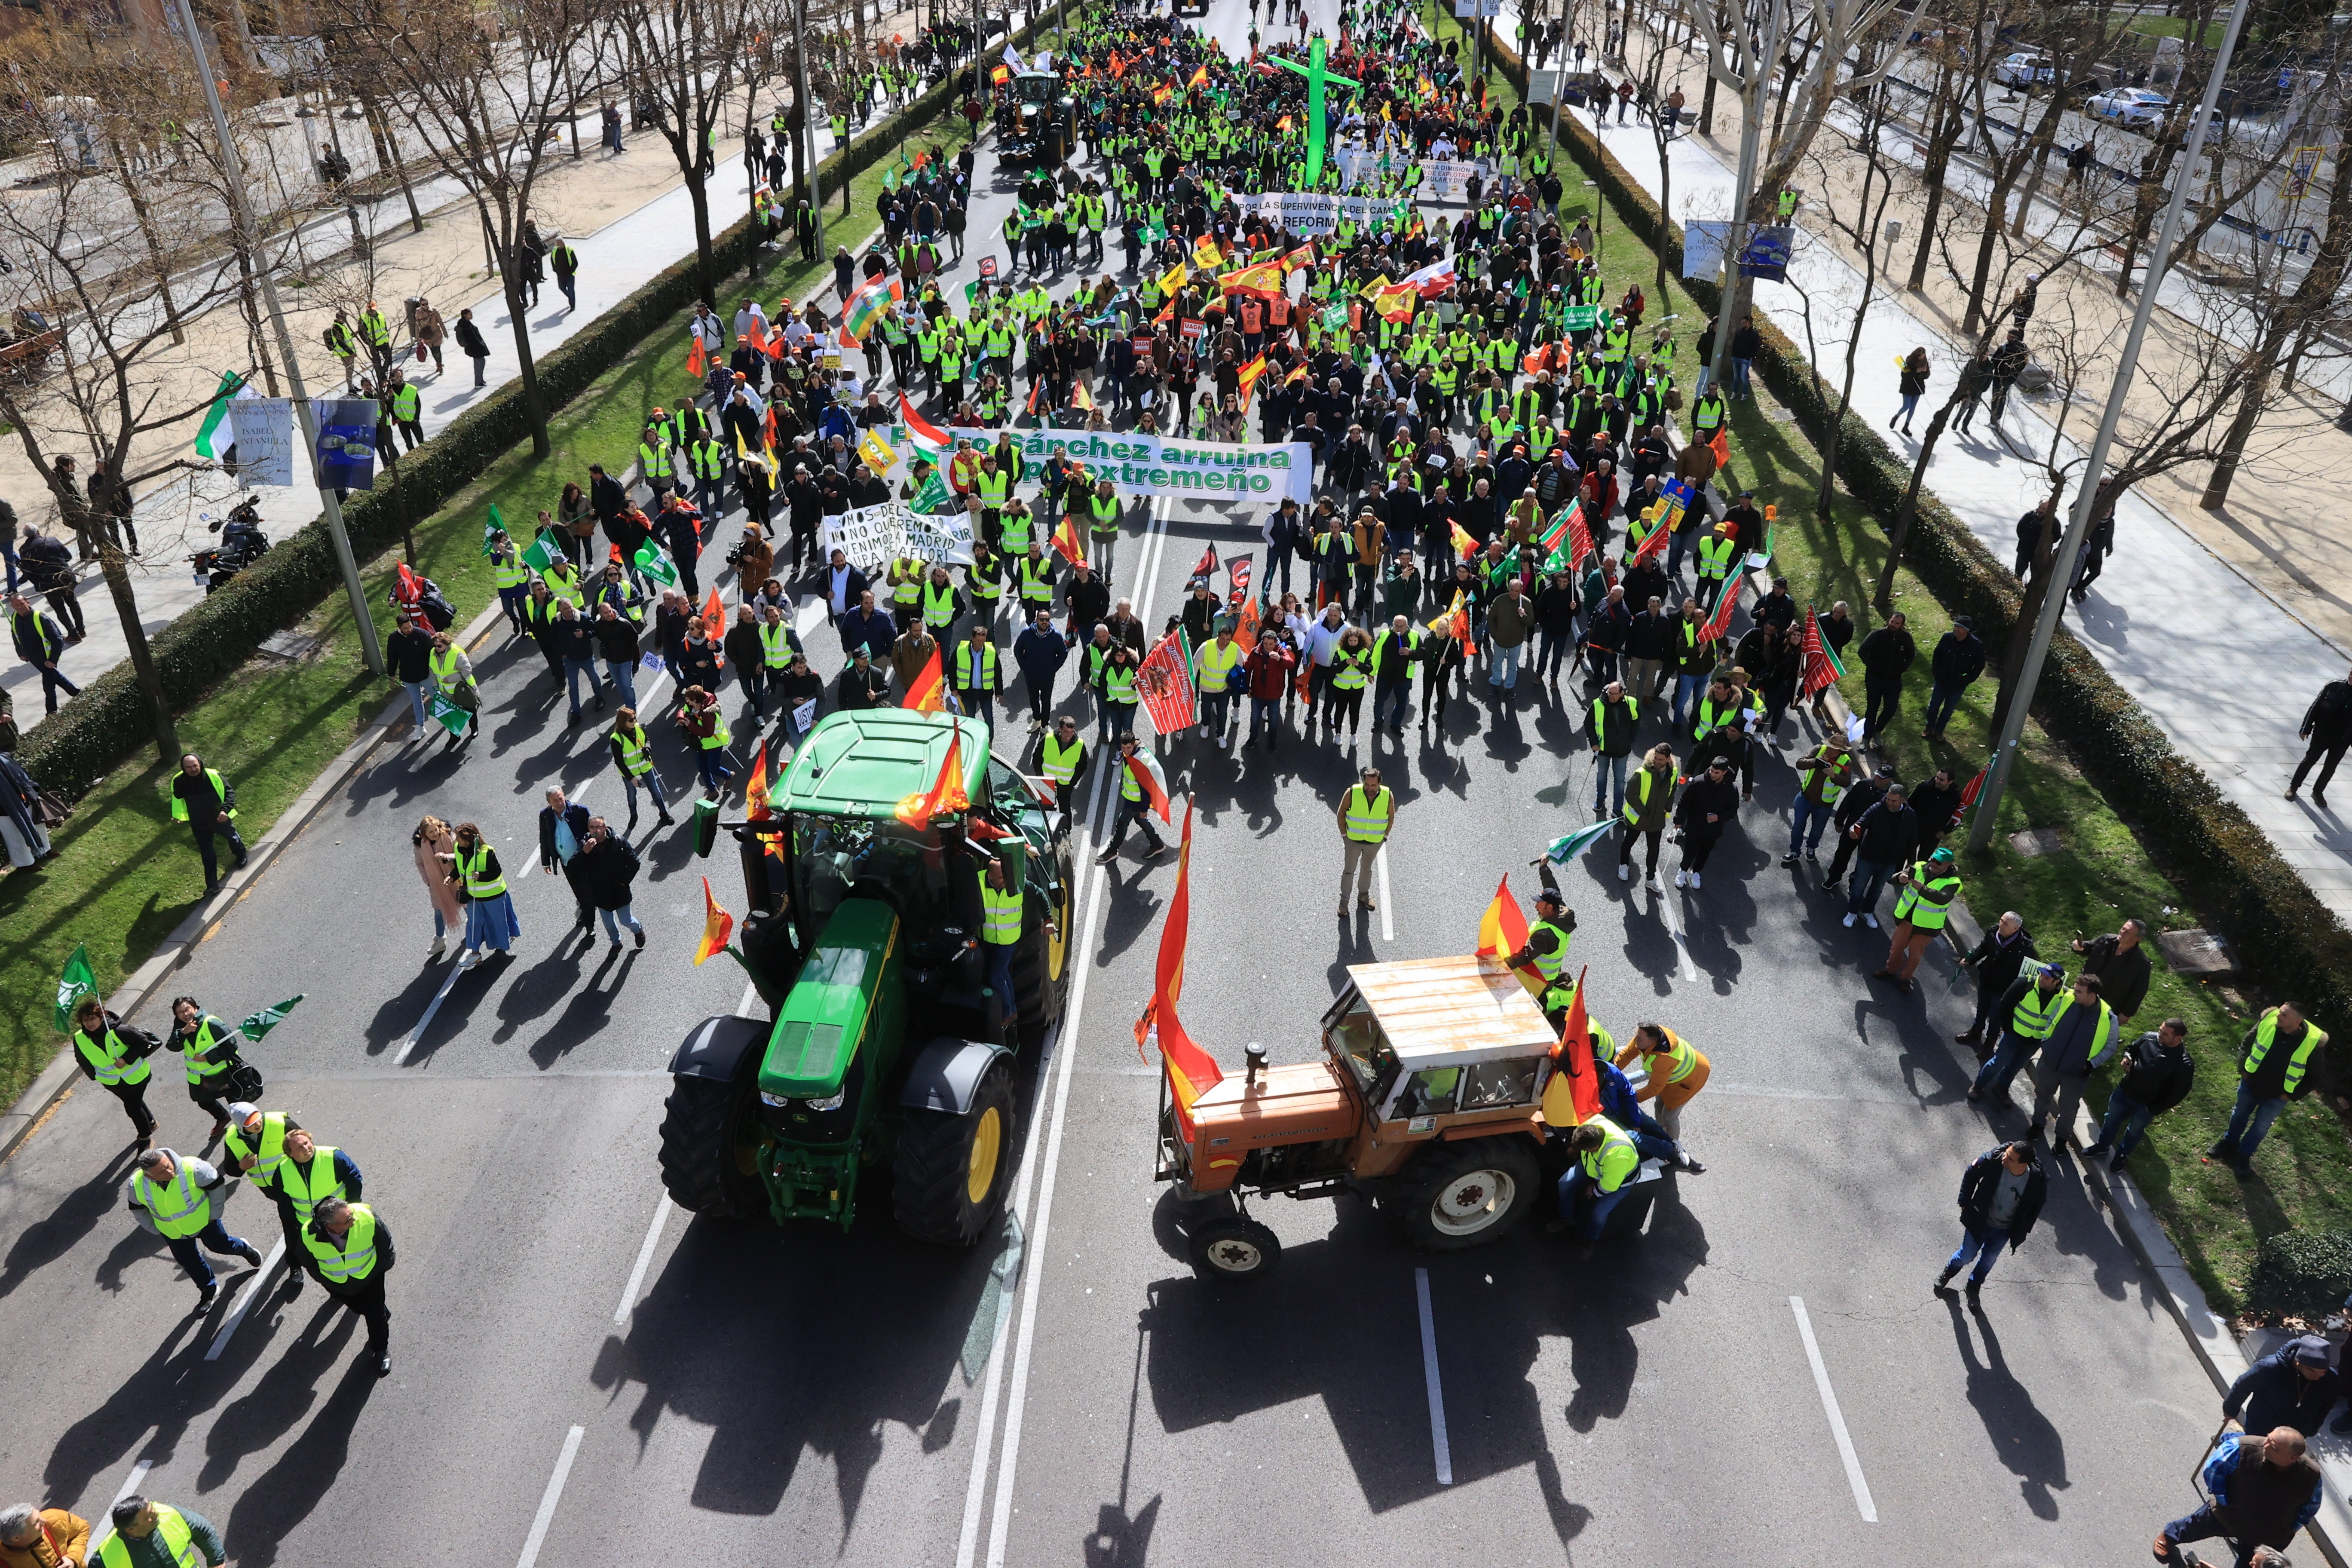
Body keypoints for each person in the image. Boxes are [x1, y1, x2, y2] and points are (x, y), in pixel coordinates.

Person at [2153, 1428, 2322, 1568]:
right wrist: (2223, 1500)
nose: (2266, 1444)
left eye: (2275, 1447)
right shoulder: (2243, 1448)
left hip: (2267, 1534)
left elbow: (2311, 1507)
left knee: (2253, 1564)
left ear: (2292, 1458)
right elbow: (2214, 1470)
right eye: (2269, 1438)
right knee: (2195, 1525)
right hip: (2229, 1513)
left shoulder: (2311, 1475)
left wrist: (2292, 1527)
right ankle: (2169, 1536)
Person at [126, 1146, 260, 1312]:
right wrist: (155, 1229)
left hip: (205, 1222)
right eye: (162, 1172)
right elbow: (138, 1210)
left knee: (221, 1246)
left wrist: (214, 1215)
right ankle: (208, 1289)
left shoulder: (194, 1168)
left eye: (168, 1165)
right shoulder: (137, 1184)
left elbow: (217, 1186)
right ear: (149, 1176)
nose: (169, 1171)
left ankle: (244, 1249)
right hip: (173, 1232)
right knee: (189, 1262)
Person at [2211, 1002, 2327, 1179]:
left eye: (2284, 1015)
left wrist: (2290, 1095)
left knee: (2261, 1127)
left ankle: (2244, 1155)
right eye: (2280, 1012)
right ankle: (2229, 1143)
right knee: (2239, 1114)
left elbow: (2314, 1076)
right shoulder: (2269, 1020)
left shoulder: (2313, 1042)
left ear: (2298, 1022)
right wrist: (2244, 1069)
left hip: (2277, 1095)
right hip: (2251, 1084)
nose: (2279, 1016)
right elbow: (2248, 1042)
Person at [1935, 1141, 2046, 1298]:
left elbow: (2038, 1204)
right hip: (1981, 1221)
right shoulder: (1993, 1161)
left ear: (2024, 1164)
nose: (2004, 1158)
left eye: (2011, 1159)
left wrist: (2024, 1227)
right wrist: (1964, 1203)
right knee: (1967, 1255)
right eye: (2006, 1153)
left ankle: (1974, 1286)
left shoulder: (2035, 1179)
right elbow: (1971, 1173)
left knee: (1989, 1260)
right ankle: (1949, 1272)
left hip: (2004, 1230)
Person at [2027, 972, 2122, 1144]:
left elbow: (2110, 1048)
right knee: (2042, 1097)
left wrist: (2090, 1064)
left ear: (2091, 995)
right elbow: (2051, 1020)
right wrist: (2046, 1044)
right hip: (2049, 1063)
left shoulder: (2108, 1018)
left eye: (2079, 991)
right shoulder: (2068, 999)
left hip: (2076, 1073)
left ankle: (2062, 1139)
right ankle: (2037, 1125)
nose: (2074, 992)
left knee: (2069, 1109)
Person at [305, 1194, 395, 1378]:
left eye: (351, 1214)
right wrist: (325, 1281)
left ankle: (380, 1350)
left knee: (375, 1314)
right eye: (347, 1220)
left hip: (370, 1277)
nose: (353, 1219)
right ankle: (379, 1311)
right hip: (340, 1286)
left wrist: (380, 1270)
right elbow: (308, 1260)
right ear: (332, 1227)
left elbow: (385, 1245)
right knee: (359, 1308)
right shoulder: (309, 1234)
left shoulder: (366, 1217)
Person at [1874, 845, 1963, 992]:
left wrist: (1922, 888)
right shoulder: (1918, 867)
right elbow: (1894, 879)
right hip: (1906, 920)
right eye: (1933, 860)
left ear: (1948, 865)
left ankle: (1905, 978)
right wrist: (1899, 878)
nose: (1934, 864)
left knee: (1915, 957)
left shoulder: (1953, 882)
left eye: (1939, 863)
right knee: (1896, 949)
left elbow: (1943, 899)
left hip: (1926, 927)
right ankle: (1890, 970)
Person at [2225, 1334, 2346, 1442]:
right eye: (2311, 1371)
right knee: (2254, 1447)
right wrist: (2231, 1410)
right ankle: (2230, 1441)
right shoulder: (2269, 1368)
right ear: (2298, 1362)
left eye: (2323, 1372)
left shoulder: (2331, 1380)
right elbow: (2243, 1385)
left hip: (2296, 1431)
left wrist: (2312, 1429)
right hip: (2262, 1423)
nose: (2317, 1377)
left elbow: (2326, 1405)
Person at [70, 994, 156, 1147]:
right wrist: (95, 1075)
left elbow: (143, 1043)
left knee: (133, 1108)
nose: (89, 1023)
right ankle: (150, 1122)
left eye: (93, 1019)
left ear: (101, 1018)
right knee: (133, 1104)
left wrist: (126, 1059)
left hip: (137, 1077)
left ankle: (145, 1137)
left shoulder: (120, 1031)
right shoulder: (79, 1038)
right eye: (86, 1020)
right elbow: (82, 1059)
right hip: (112, 1082)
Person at [1553, 1116, 1638, 1259]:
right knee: (1565, 1184)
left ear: (1594, 1148)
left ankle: (1590, 1240)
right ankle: (1567, 1218)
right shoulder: (1590, 1125)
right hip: (1593, 1166)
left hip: (1619, 1181)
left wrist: (1595, 1190)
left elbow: (1611, 1185)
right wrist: (1575, 1147)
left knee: (1599, 1213)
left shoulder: (1617, 1156)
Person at [163, 996, 242, 1142]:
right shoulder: (181, 1026)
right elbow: (172, 1046)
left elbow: (232, 1046)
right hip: (200, 1078)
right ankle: (223, 1117)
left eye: (187, 1009)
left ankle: (244, 1131)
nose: (186, 1014)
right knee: (204, 1102)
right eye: (180, 1013)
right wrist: (183, 1033)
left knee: (237, 1106)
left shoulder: (212, 1023)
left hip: (224, 1074)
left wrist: (208, 1058)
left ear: (195, 1007)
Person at [1956, 911, 2038, 1050]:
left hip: (2002, 989)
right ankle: (1976, 1031)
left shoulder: (2024, 948)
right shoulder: (1994, 932)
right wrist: (1970, 960)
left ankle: (1990, 1044)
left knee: (1995, 1017)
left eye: (2005, 923)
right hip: (1986, 979)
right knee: (1982, 1009)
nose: (2001, 925)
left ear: (2015, 929)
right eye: (2001, 920)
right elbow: (1984, 948)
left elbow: (2029, 972)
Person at [1614, 1023, 1709, 1141]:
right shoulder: (1646, 1040)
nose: (1635, 1039)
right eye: (1636, 1035)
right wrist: (1610, 1071)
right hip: (1669, 1077)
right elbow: (1627, 1054)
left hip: (1691, 1080)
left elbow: (1654, 1089)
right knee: (1659, 1104)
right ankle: (1661, 1132)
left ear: (1651, 1043)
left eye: (1639, 1038)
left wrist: (1628, 1099)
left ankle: (1673, 1144)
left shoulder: (1664, 1059)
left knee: (1669, 1116)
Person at [1841, 782, 1917, 929]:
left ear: (1903, 801)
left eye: (1894, 801)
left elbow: (1912, 839)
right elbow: (1861, 822)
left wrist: (1911, 863)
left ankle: (1868, 911)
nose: (1889, 802)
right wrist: (1853, 830)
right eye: (1888, 799)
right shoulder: (1877, 809)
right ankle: (1852, 912)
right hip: (1868, 858)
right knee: (1859, 887)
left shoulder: (1910, 815)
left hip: (1890, 862)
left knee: (1877, 889)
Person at [444, 819, 518, 968]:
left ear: (468, 840)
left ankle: (502, 944)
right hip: (474, 897)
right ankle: (475, 954)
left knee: (498, 923)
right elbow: (461, 868)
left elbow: (496, 872)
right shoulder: (459, 849)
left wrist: (481, 876)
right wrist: (452, 876)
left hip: (494, 896)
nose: (455, 840)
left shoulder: (487, 852)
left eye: (458, 838)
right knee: (474, 924)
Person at [1783, 733, 1857, 867]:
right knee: (1797, 828)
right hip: (1804, 798)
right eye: (1830, 747)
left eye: (1835, 749)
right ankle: (1794, 851)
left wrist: (1833, 775)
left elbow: (1846, 782)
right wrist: (1814, 762)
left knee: (1817, 831)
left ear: (1841, 751)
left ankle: (1811, 848)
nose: (1830, 751)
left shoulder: (1846, 761)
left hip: (1824, 805)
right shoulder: (1819, 749)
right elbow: (1800, 763)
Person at [1095, 733, 1167, 865]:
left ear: (1134, 744)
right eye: (1123, 748)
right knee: (1141, 820)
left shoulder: (1138, 762)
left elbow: (1145, 788)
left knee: (1122, 824)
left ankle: (1112, 851)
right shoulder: (1129, 755)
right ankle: (1157, 844)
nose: (1125, 751)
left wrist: (1144, 808)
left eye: (1128, 748)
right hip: (1131, 798)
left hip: (1136, 801)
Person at [95, 1498, 228, 1568]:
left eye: (152, 1509)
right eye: (149, 1516)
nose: (156, 1513)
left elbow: (203, 1530)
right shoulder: (105, 1557)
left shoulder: (169, 1514)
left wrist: (216, 1562)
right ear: (131, 1529)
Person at [2287, 665, 2352, 808]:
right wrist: (2306, 728)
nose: (2351, 676)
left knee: (2331, 767)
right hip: (2323, 733)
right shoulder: (2334, 687)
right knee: (2310, 760)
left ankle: (2318, 792)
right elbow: (2315, 707)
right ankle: (2294, 787)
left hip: (2343, 739)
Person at [577, 818, 646, 949]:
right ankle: (616, 943)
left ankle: (638, 930)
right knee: (608, 923)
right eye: (592, 827)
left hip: (619, 891)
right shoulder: (585, 844)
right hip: (600, 892)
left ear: (605, 828)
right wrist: (584, 853)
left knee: (626, 920)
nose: (595, 830)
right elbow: (576, 866)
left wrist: (623, 882)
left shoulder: (618, 841)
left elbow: (634, 863)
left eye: (599, 827)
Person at [2071, 919, 2152, 1028]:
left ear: (2137, 939)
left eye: (2127, 932)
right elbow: (2089, 947)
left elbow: (2139, 991)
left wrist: (2126, 1014)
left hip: (2108, 1005)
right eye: (2123, 928)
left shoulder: (2141, 964)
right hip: (2084, 993)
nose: (2122, 932)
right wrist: (2080, 947)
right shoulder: (2107, 940)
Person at [1336, 765, 1395, 916]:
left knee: (1367, 869)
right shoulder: (1352, 793)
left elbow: (1391, 817)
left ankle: (1364, 895)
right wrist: (1345, 836)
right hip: (1353, 841)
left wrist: (1385, 837)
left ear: (1379, 783)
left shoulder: (1388, 795)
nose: (1370, 788)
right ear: (1364, 781)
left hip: (1374, 842)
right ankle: (1344, 903)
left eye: (1373, 785)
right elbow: (1341, 814)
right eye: (1367, 784)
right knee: (1349, 871)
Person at [1672, 757, 1738, 890]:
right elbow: (1684, 802)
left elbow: (1732, 811)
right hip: (1694, 826)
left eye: (1717, 773)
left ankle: (1696, 872)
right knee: (1690, 851)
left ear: (1724, 773)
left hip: (1713, 830)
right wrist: (1679, 821)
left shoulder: (1731, 789)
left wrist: (1719, 817)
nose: (1713, 775)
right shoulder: (1699, 782)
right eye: (1712, 771)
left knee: (1705, 852)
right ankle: (1683, 870)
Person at [9, 591, 77, 713]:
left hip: (46, 658)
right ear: (12, 607)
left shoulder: (40, 618)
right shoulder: (15, 617)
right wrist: (21, 653)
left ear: (27, 602)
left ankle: (51, 713)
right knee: (56, 678)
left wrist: (53, 660)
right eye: (16, 605)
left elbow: (58, 640)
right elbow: (16, 636)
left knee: (49, 687)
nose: (19, 607)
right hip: (34, 658)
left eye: (21, 604)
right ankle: (77, 693)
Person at [1618, 743, 1676, 886]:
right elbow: (1630, 794)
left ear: (1668, 759)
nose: (1657, 762)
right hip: (1639, 818)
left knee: (1654, 849)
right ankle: (1623, 865)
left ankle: (1650, 878)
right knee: (1629, 842)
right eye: (1656, 758)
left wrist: (1667, 808)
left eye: (1661, 760)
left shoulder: (1673, 772)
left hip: (1657, 819)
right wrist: (1643, 811)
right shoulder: (1641, 773)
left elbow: (1673, 790)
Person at [608, 707, 674, 831]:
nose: (634, 721)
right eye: (631, 720)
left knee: (655, 791)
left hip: (645, 766)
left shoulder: (639, 728)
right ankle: (634, 816)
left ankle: (664, 815)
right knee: (632, 795)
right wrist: (632, 779)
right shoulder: (616, 739)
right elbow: (619, 762)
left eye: (635, 718)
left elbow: (647, 740)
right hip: (630, 772)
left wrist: (648, 749)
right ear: (623, 722)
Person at [539, 785, 594, 934]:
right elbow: (544, 839)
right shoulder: (545, 815)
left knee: (588, 888)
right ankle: (586, 911)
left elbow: (592, 832)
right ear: (549, 802)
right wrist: (546, 861)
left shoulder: (579, 811)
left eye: (561, 798)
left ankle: (590, 923)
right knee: (577, 889)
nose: (559, 803)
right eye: (555, 801)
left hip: (582, 858)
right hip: (566, 861)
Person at [978, 856, 1025, 1026]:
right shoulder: (977, 881)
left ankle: (1007, 1013)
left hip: (1008, 940)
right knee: (1003, 973)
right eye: (1001, 878)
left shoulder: (1018, 881)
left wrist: (1048, 920)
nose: (1006, 881)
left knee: (995, 977)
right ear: (990, 877)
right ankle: (1012, 1010)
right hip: (989, 939)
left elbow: (1039, 894)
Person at [1922, 616, 1984, 738]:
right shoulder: (1947, 638)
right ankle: (1929, 728)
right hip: (1942, 680)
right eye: (1955, 626)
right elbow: (1937, 655)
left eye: (1959, 627)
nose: (1956, 629)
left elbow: (1979, 666)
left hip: (1958, 684)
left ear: (1966, 630)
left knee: (1948, 709)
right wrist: (1936, 672)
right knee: (1934, 706)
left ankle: (1939, 732)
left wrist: (1967, 679)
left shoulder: (1976, 645)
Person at [1857, 611, 1914, 741]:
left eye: (1897, 623)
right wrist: (1872, 666)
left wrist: (1903, 667)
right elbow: (1862, 651)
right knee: (1872, 709)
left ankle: (1878, 730)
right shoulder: (1877, 635)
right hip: (1875, 679)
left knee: (1891, 709)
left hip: (1894, 681)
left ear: (1902, 625)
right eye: (1892, 622)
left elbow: (1911, 654)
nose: (1893, 625)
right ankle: (1866, 737)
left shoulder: (1906, 638)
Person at [413, 814, 462, 960]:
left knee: (466, 903)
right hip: (436, 885)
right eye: (431, 832)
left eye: (436, 830)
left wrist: (447, 857)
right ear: (424, 834)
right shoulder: (420, 845)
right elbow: (420, 863)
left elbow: (459, 854)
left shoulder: (449, 836)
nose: (435, 834)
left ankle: (478, 930)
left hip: (455, 878)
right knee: (439, 912)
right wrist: (428, 881)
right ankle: (440, 939)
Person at [1246, 628, 1298, 750]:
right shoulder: (1256, 652)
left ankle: (1272, 741)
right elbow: (1247, 669)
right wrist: (1247, 688)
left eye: (1271, 644)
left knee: (1274, 721)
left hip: (1274, 695)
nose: (1268, 647)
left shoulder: (1281, 651)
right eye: (1265, 644)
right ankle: (1253, 737)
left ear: (1276, 643)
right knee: (1254, 718)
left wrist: (1280, 659)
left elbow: (1291, 664)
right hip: (1257, 693)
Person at [0, 1502, 89, 1568]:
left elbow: (82, 1529)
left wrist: (72, 1558)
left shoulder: (56, 1518)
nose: (44, 1521)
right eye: (36, 1522)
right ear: (16, 1538)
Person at [1039, 714, 1087, 827]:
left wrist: (1072, 782)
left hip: (1065, 784)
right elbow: (1037, 758)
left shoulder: (1079, 744)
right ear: (1060, 729)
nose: (1069, 735)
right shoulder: (1048, 739)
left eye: (1071, 732)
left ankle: (1067, 832)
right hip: (1047, 782)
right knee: (1047, 808)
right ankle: (1047, 831)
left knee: (1065, 809)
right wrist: (1041, 778)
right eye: (1066, 732)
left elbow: (1083, 765)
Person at [1892, 346, 1929, 435]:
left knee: (1912, 408)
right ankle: (1896, 417)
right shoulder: (1909, 361)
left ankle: (1906, 426)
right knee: (1906, 406)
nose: (1922, 358)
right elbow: (1905, 375)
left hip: (1918, 388)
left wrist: (1925, 372)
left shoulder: (1925, 363)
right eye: (1921, 356)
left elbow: (1927, 376)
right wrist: (1916, 371)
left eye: (1923, 356)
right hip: (1908, 388)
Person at [455, 306, 490, 388]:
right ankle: (478, 382)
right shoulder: (466, 326)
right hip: (475, 348)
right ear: (465, 316)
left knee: (480, 363)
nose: (472, 315)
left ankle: (480, 380)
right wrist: (481, 345)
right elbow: (472, 338)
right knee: (479, 364)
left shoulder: (467, 323)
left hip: (474, 348)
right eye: (470, 314)